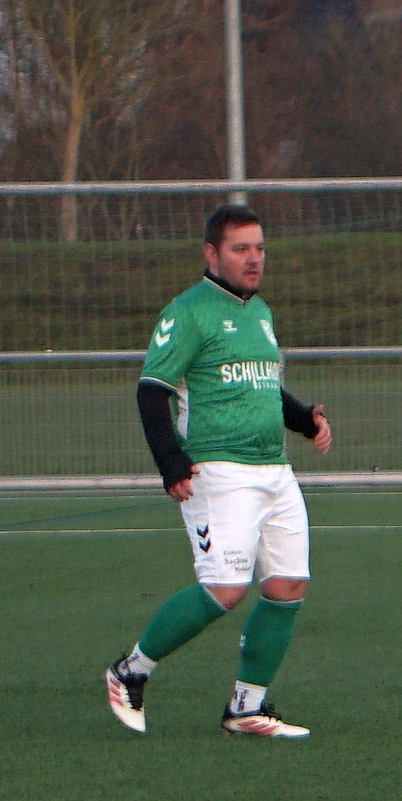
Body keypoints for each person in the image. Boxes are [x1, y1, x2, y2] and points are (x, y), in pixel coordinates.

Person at [102, 204, 332, 739]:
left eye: (260, 248)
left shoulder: (260, 311)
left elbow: (263, 386)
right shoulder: (189, 311)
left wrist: (305, 420)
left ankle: (245, 708)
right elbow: (151, 391)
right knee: (224, 589)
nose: (254, 259)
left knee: (287, 585)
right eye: (240, 249)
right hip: (219, 472)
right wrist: (171, 463)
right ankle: (130, 671)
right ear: (212, 253)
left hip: (274, 471)